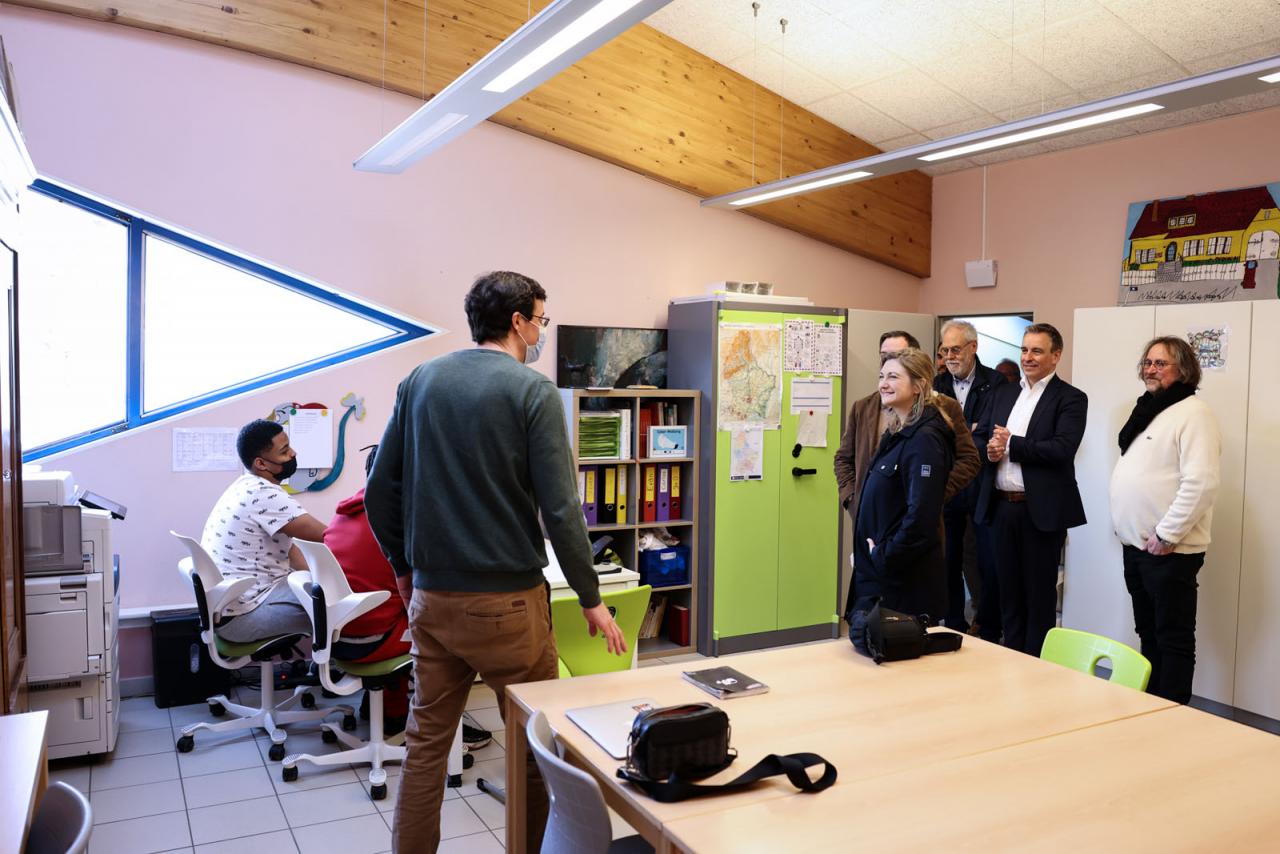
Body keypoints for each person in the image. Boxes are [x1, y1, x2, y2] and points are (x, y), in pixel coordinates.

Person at [365, 270, 626, 853]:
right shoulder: (530, 391)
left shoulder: (421, 380)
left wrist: (406, 574)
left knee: (425, 747)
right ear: (517, 322)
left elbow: (381, 491)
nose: (540, 331)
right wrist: (592, 599)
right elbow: (562, 511)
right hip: (509, 607)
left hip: (433, 601)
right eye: (540, 319)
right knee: (534, 748)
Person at [323, 445, 490, 747]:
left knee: (403, 609)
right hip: (376, 641)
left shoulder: (343, 514)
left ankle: (390, 711)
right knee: (455, 629)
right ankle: (447, 730)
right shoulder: (399, 524)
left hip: (340, 637)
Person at [1111, 336, 1221, 703]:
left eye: (1161, 363)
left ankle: (1173, 713)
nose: (1151, 369)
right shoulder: (1149, 409)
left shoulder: (1194, 412)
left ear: (1184, 370)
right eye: (1148, 362)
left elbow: (1201, 483)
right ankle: (1152, 706)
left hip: (1169, 550)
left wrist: (1166, 534)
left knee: (1172, 639)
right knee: (1149, 633)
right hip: (1138, 546)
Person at [974, 323, 1087, 657]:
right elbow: (980, 438)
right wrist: (990, 451)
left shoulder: (1070, 398)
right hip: (1001, 506)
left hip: (1040, 511)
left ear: (1056, 356)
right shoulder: (1004, 392)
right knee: (1006, 593)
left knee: (1038, 598)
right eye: (1024, 350)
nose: (1028, 357)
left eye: (1037, 351)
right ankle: (1012, 662)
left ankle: (1038, 667)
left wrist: (1011, 446)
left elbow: (1062, 448)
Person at [849, 347, 957, 621]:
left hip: (902, 582)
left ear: (919, 385)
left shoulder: (925, 440)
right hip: (879, 575)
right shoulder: (899, 432)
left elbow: (921, 516)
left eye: (894, 377)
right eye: (882, 376)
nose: (883, 384)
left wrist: (883, 555)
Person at [200, 419, 327, 643]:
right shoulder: (265, 496)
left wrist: (321, 576)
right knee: (334, 607)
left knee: (327, 590)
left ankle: (329, 665)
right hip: (244, 617)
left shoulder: (243, 485)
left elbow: (288, 549)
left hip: (230, 610)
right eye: (284, 451)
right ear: (261, 463)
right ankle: (349, 669)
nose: (293, 454)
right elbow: (327, 536)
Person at [934, 320, 1006, 637]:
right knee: (947, 558)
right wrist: (969, 431)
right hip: (946, 485)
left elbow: (990, 433)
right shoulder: (935, 385)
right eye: (945, 350)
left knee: (985, 559)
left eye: (956, 349)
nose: (950, 356)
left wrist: (962, 438)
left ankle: (988, 624)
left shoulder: (997, 383)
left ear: (973, 347)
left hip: (982, 484)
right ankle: (953, 622)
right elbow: (932, 437)